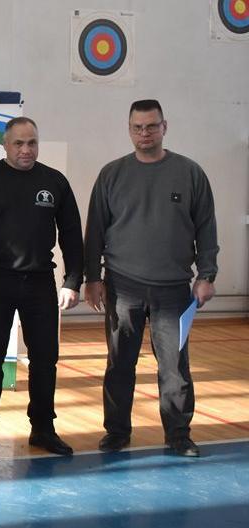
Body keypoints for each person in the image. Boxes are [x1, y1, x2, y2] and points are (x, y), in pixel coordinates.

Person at [84, 99, 219, 458]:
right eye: (137, 127)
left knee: (175, 367)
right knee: (119, 364)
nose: (144, 133)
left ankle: (178, 435)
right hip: (122, 286)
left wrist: (206, 275)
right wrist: (92, 278)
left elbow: (206, 228)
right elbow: (94, 230)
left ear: (164, 127)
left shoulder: (190, 173)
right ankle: (116, 432)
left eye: (151, 126)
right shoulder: (112, 174)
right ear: (129, 130)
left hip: (173, 289)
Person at [0, 117, 83, 457]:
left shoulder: (54, 182)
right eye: (19, 143)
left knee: (45, 360)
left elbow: (72, 234)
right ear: (5, 145)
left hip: (40, 282)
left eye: (32, 143)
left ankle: (43, 429)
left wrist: (73, 281)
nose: (26, 150)